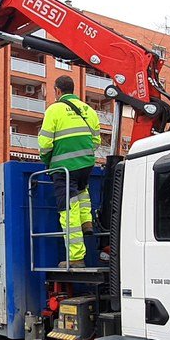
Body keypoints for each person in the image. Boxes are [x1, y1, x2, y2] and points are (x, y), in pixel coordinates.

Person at [38, 75, 101, 268]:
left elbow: (45, 142)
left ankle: (75, 257)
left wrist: (46, 160)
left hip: (64, 167)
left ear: (57, 91)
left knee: (68, 211)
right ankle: (87, 223)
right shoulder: (88, 110)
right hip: (86, 163)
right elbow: (96, 141)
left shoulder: (54, 110)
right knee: (82, 192)